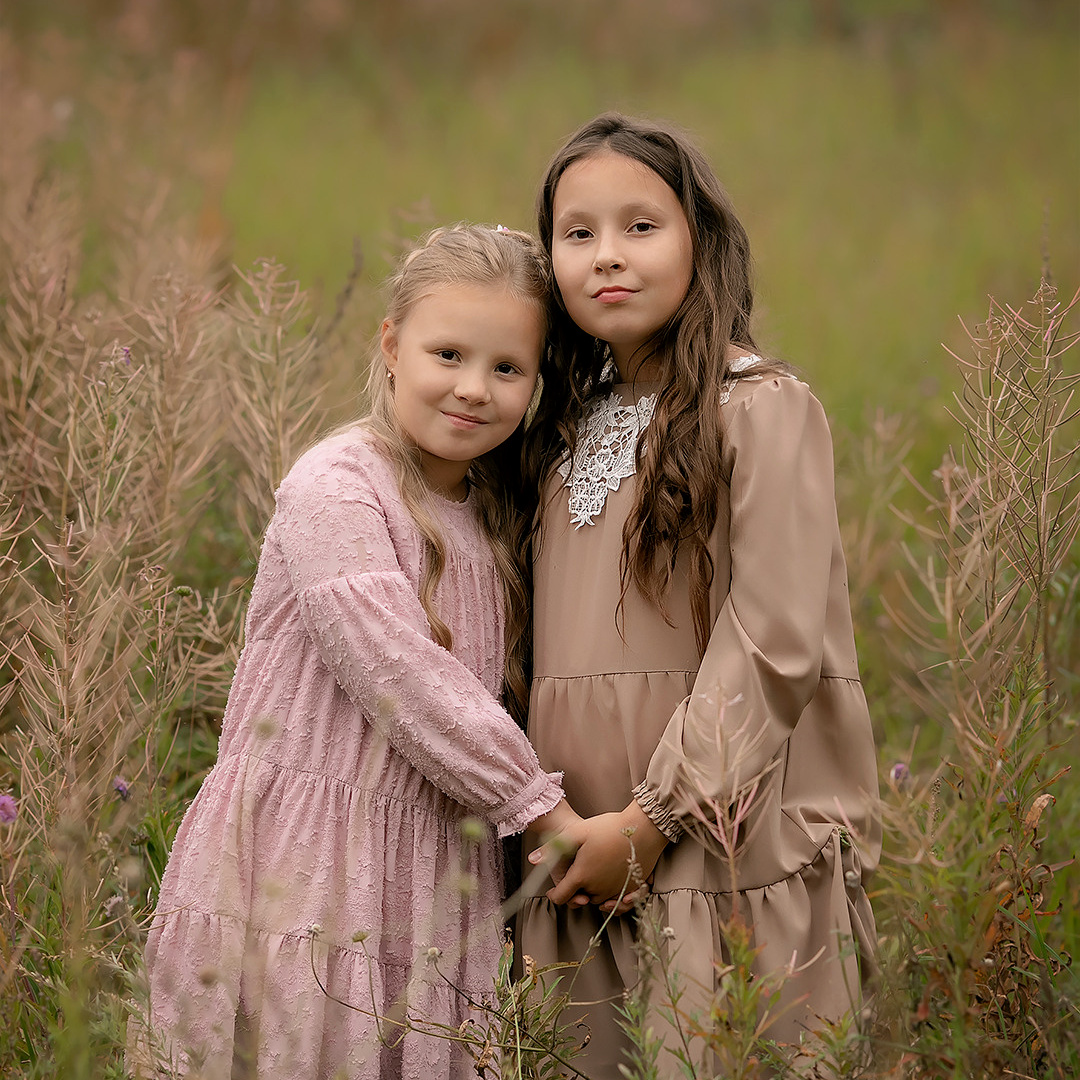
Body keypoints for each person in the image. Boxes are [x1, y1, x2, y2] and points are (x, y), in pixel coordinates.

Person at [136, 224, 578, 1080]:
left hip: (435, 869)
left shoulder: (500, 514)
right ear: (390, 346)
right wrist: (540, 807)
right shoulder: (336, 487)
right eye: (446, 354)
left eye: (506, 369)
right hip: (308, 864)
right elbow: (399, 677)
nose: (472, 389)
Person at [519, 113, 881, 1075]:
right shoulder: (554, 427)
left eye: (643, 226)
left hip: (715, 839)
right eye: (578, 232)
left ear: (700, 240)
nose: (609, 256)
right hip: (579, 848)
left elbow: (775, 641)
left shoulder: (757, 406)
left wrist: (651, 820)